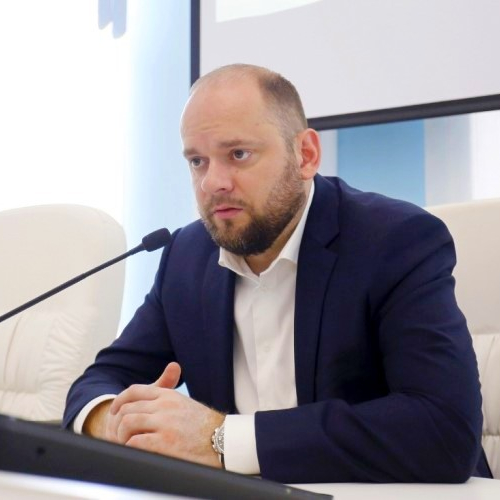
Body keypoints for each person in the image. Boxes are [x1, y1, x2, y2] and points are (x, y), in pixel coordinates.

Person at [63, 64, 491, 483]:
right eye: (197, 161)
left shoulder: (395, 241)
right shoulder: (186, 257)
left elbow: (443, 431)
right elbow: (101, 381)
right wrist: (113, 422)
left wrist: (219, 439)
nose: (213, 182)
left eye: (238, 154)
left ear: (305, 155)